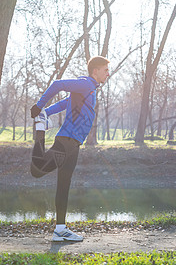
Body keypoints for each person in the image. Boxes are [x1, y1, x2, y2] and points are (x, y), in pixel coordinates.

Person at [29, 56, 110, 242]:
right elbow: (57, 84)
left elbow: (66, 103)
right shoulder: (85, 84)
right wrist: (39, 107)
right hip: (66, 141)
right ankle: (40, 130)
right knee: (37, 170)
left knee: (64, 185)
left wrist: (46, 112)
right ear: (95, 71)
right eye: (105, 70)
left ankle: (60, 229)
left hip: (74, 144)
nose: (108, 73)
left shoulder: (90, 90)